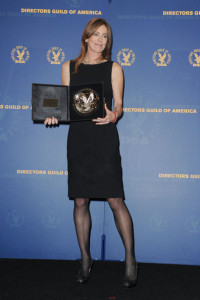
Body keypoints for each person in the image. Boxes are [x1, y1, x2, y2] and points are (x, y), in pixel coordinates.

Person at [44, 18, 138, 288]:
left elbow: (120, 105)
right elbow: (62, 106)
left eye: (105, 36)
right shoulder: (69, 67)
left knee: (115, 200)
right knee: (80, 201)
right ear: (85, 38)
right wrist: (52, 116)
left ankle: (130, 259)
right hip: (79, 140)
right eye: (95, 35)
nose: (100, 40)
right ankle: (86, 259)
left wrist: (113, 115)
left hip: (105, 138)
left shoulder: (114, 67)